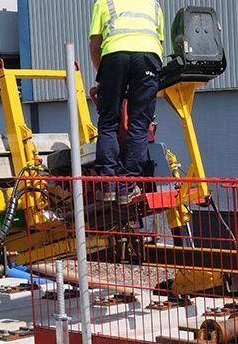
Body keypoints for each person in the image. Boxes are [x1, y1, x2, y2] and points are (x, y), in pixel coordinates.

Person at [89, 0, 164, 204]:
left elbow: (95, 46)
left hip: (114, 57)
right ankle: (127, 185)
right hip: (148, 58)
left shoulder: (103, 3)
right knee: (139, 124)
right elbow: (159, 43)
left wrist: (105, 77)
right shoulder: (153, 4)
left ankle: (108, 185)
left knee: (108, 122)